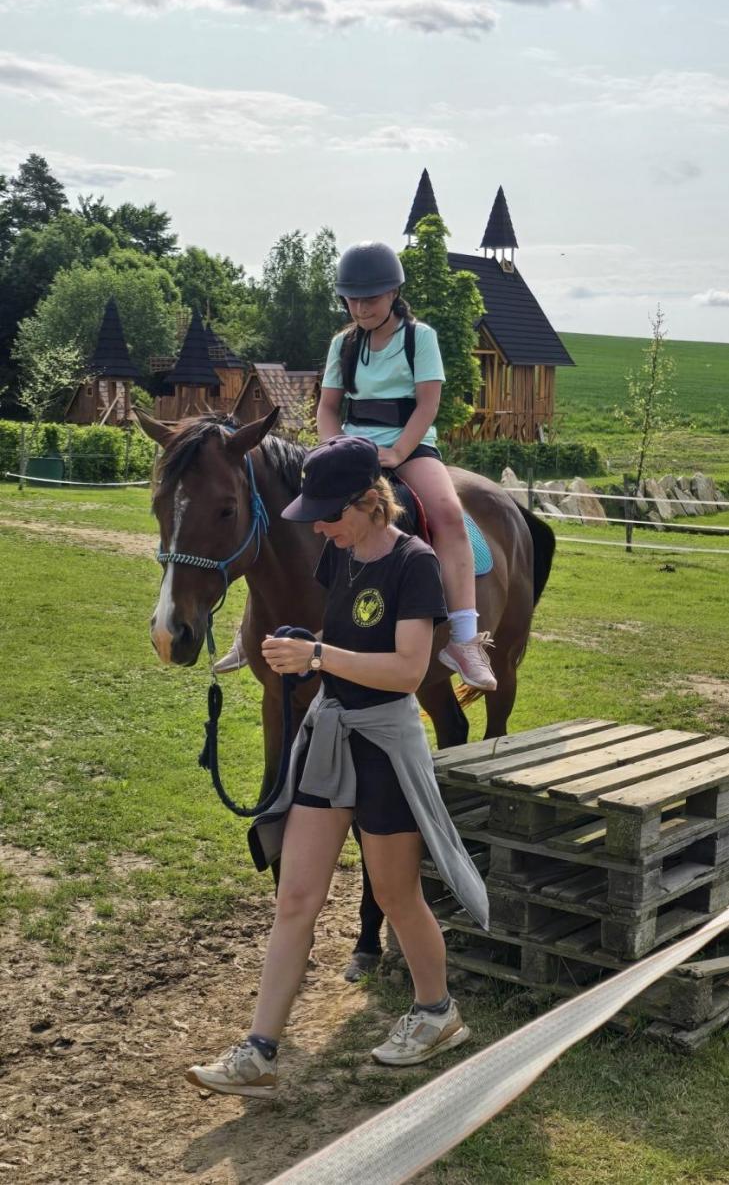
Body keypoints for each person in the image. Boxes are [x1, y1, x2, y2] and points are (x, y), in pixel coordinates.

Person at [185, 436, 489, 1099]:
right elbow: (337, 635)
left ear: (369, 502)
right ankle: (259, 1050)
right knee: (295, 898)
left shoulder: (414, 565)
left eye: (330, 512)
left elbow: (408, 671)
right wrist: (294, 645)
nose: (319, 524)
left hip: (384, 746)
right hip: (330, 738)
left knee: (396, 895)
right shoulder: (336, 555)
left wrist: (318, 658)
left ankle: (437, 1013)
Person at [214, 241, 497, 688]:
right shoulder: (343, 345)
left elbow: (428, 404)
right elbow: (328, 408)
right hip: (350, 448)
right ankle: (252, 630)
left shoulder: (419, 338)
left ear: (393, 293)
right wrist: (336, 451)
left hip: (410, 446)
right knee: (285, 521)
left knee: (446, 515)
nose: (361, 307)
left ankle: (463, 637)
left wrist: (399, 452)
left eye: (372, 298)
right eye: (353, 298)